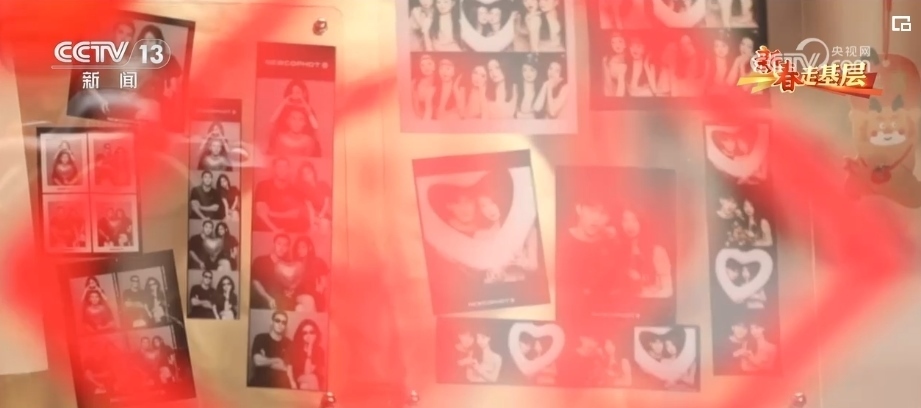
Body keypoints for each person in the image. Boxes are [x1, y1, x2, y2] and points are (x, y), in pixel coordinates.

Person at [555, 188, 622, 316]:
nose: (596, 218)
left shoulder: (610, 244)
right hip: (567, 316)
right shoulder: (560, 240)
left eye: (603, 213)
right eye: (592, 211)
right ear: (579, 209)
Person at [620, 208, 674, 298]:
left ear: (642, 222)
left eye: (634, 220)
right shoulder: (619, 251)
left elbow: (667, 290)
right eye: (625, 220)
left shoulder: (657, 251)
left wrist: (645, 294)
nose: (629, 225)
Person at [267, 80, 321, 157]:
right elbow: (272, 122)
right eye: (292, 92)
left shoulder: (308, 109)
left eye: (298, 92)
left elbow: (315, 127)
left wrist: (304, 103)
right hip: (284, 146)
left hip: (304, 147)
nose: (295, 95)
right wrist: (284, 103)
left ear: (304, 93)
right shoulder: (284, 108)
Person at [253, 158, 308, 232]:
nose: (282, 169)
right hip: (266, 227)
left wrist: (271, 213)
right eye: (279, 166)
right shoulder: (263, 185)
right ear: (274, 169)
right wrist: (275, 230)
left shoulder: (294, 189)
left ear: (289, 169)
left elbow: (296, 214)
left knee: (304, 224)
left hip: (287, 228)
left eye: (285, 167)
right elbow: (260, 212)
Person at [249, 311, 295, 388]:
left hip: (280, 385)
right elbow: (257, 361)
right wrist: (277, 359)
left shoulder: (288, 343)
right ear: (271, 322)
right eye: (277, 320)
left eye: (283, 322)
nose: (280, 324)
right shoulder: (260, 338)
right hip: (260, 383)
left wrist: (265, 359)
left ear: (285, 326)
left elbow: (285, 367)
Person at [292, 236, 330, 313]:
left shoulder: (318, 261)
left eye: (303, 247)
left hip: (314, 293)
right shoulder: (294, 263)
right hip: (299, 294)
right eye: (298, 247)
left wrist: (321, 287)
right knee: (308, 300)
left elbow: (324, 282)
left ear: (310, 247)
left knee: (300, 308)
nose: (300, 250)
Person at [290, 319, 326, 390]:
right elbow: (306, 373)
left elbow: (308, 371)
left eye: (311, 332)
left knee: (304, 386)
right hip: (300, 377)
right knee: (312, 378)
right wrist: (310, 348)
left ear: (316, 334)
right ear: (301, 335)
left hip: (311, 379)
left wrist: (310, 347)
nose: (308, 335)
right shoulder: (297, 349)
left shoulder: (319, 351)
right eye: (305, 333)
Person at [295, 163, 331, 232]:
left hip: (325, 213)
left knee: (325, 223)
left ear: (313, 172)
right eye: (304, 174)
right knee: (316, 227)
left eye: (309, 172)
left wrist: (320, 216)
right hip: (312, 215)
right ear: (302, 177)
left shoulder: (323, 184)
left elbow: (327, 204)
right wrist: (312, 225)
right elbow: (310, 209)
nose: (307, 175)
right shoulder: (304, 190)